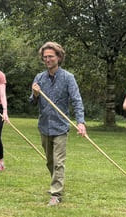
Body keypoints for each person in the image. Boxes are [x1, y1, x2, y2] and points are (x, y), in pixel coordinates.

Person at [30, 42, 86, 206]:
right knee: (50, 161)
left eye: (50, 56)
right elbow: (32, 103)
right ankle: (57, 183)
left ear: (59, 57)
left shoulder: (68, 78)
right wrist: (34, 94)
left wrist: (80, 122)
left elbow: (77, 101)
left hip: (61, 126)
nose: (47, 59)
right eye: (45, 57)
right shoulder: (39, 78)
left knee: (59, 161)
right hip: (44, 126)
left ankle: (56, 193)